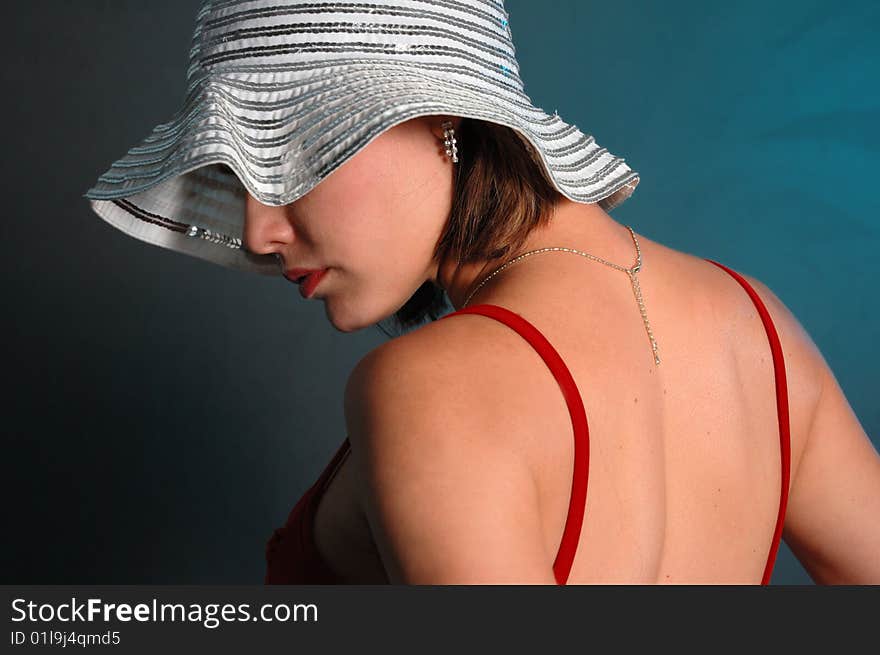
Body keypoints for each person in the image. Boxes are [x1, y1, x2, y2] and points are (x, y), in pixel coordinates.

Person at [85, 1, 880, 585]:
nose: (259, 231)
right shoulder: (763, 331)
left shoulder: (432, 388)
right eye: (236, 174)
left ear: (439, 117)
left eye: (297, 149)